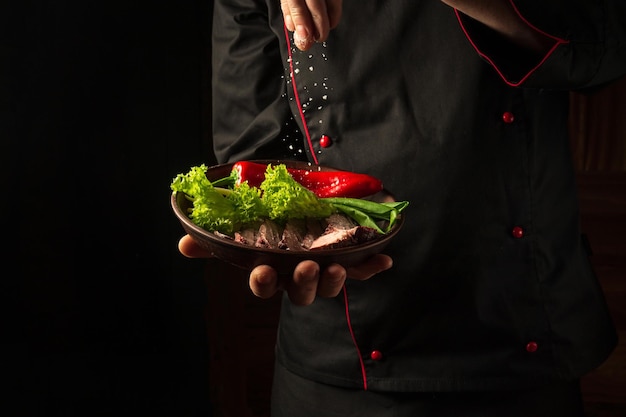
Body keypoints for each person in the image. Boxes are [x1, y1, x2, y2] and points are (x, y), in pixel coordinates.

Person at [179, 0, 626, 415]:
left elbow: (600, 47)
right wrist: (269, 242)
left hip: (517, 338)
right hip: (336, 354)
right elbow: (254, 157)